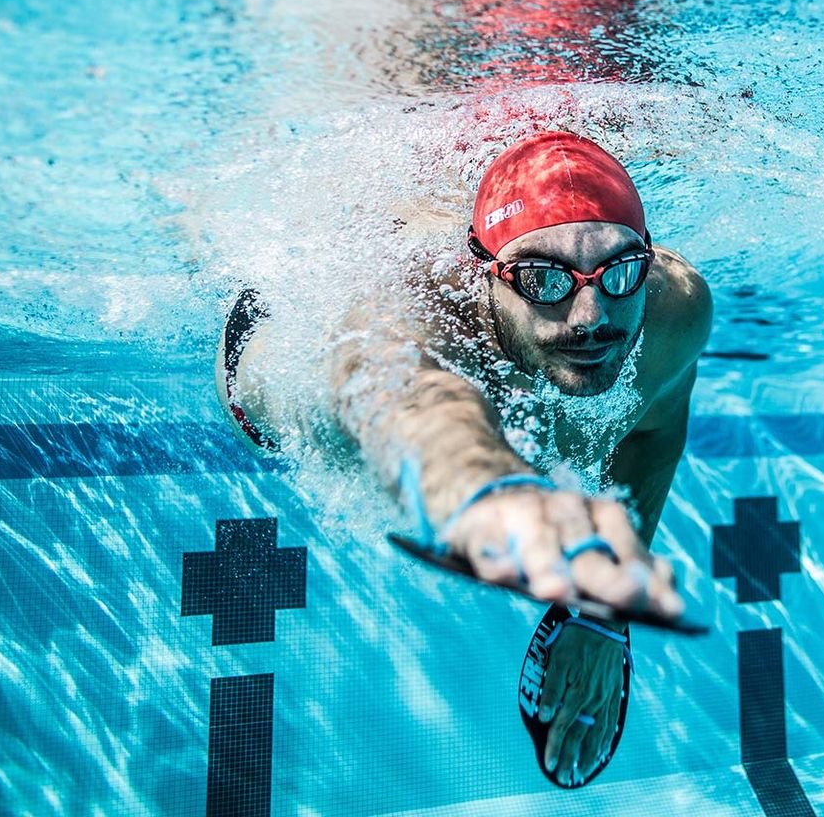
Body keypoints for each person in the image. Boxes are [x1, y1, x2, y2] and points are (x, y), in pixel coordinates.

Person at [218, 129, 713, 788]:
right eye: (543, 278)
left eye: (619, 269)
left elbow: (651, 434)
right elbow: (419, 400)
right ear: (485, 271)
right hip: (274, 357)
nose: (592, 314)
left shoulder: (671, 307)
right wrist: (487, 491)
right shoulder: (415, 302)